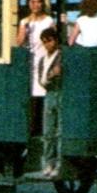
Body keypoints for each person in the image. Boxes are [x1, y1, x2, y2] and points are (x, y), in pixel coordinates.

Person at [16, 0, 54, 136]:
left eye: (38, 2)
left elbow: (53, 39)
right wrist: (24, 30)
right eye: (33, 2)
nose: (36, 5)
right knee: (32, 95)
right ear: (29, 4)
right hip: (31, 62)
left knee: (43, 92)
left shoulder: (48, 20)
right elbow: (19, 42)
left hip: (44, 59)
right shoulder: (24, 22)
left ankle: (45, 128)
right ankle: (33, 129)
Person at [37, 26, 63, 177]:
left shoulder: (61, 56)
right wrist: (52, 74)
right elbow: (42, 81)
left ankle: (59, 164)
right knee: (48, 132)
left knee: (59, 131)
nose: (47, 44)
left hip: (60, 93)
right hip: (50, 94)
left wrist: (50, 76)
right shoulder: (43, 60)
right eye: (44, 41)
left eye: (50, 40)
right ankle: (48, 163)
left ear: (56, 40)